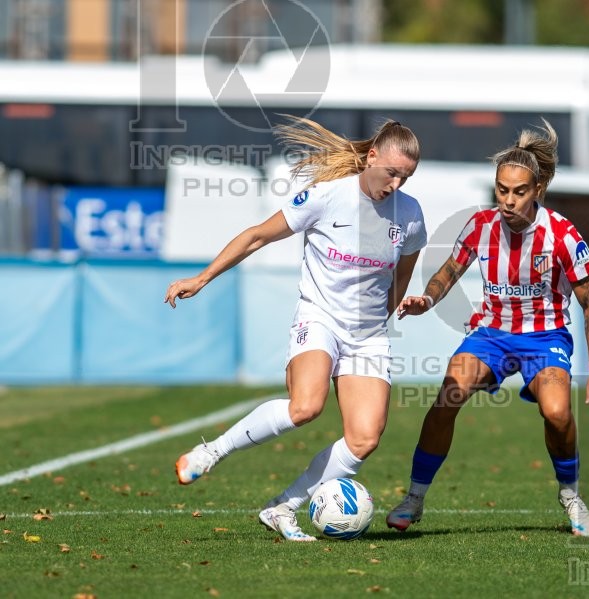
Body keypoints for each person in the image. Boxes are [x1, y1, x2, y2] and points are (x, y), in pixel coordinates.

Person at [164, 117, 426, 542]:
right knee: (305, 406)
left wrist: (395, 310)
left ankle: (283, 507)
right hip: (319, 317)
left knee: (364, 438)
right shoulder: (325, 197)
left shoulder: (410, 214)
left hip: (368, 334)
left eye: (406, 177)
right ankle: (211, 451)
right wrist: (202, 277)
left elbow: (402, 274)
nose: (396, 184)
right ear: (371, 157)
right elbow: (255, 237)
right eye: (391, 172)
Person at [385, 120, 589, 537]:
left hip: (545, 337)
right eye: (502, 189)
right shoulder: (481, 226)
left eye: (519, 191)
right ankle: (415, 497)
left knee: (557, 412)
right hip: (491, 333)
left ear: (538, 191)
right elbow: (448, 273)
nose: (508, 200)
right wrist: (428, 298)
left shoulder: (563, 235)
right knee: (448, 396)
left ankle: (570, 494)